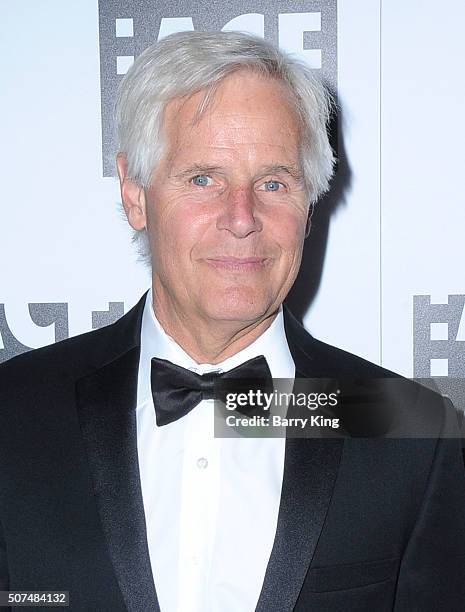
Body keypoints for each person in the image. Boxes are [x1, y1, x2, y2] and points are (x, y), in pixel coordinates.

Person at [1, 30, 464, 612]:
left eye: (273, 182)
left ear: (310, 203)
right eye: (203, 179)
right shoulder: (14, 411)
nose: (241, 218)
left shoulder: (407, 429)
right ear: (135, 194)